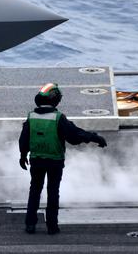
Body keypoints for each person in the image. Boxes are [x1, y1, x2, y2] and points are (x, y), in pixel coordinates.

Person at [19, 83, 107, 235]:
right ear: (55, 100)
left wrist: (22, 156)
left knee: (34, 191)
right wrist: (95, 137)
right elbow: (74, 136)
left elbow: (23, 139)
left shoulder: (31, 117)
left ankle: (30, 225)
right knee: (53, 192)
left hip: (36, 160)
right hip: (55, 161)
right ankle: (52, 227)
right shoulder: (58, 118)